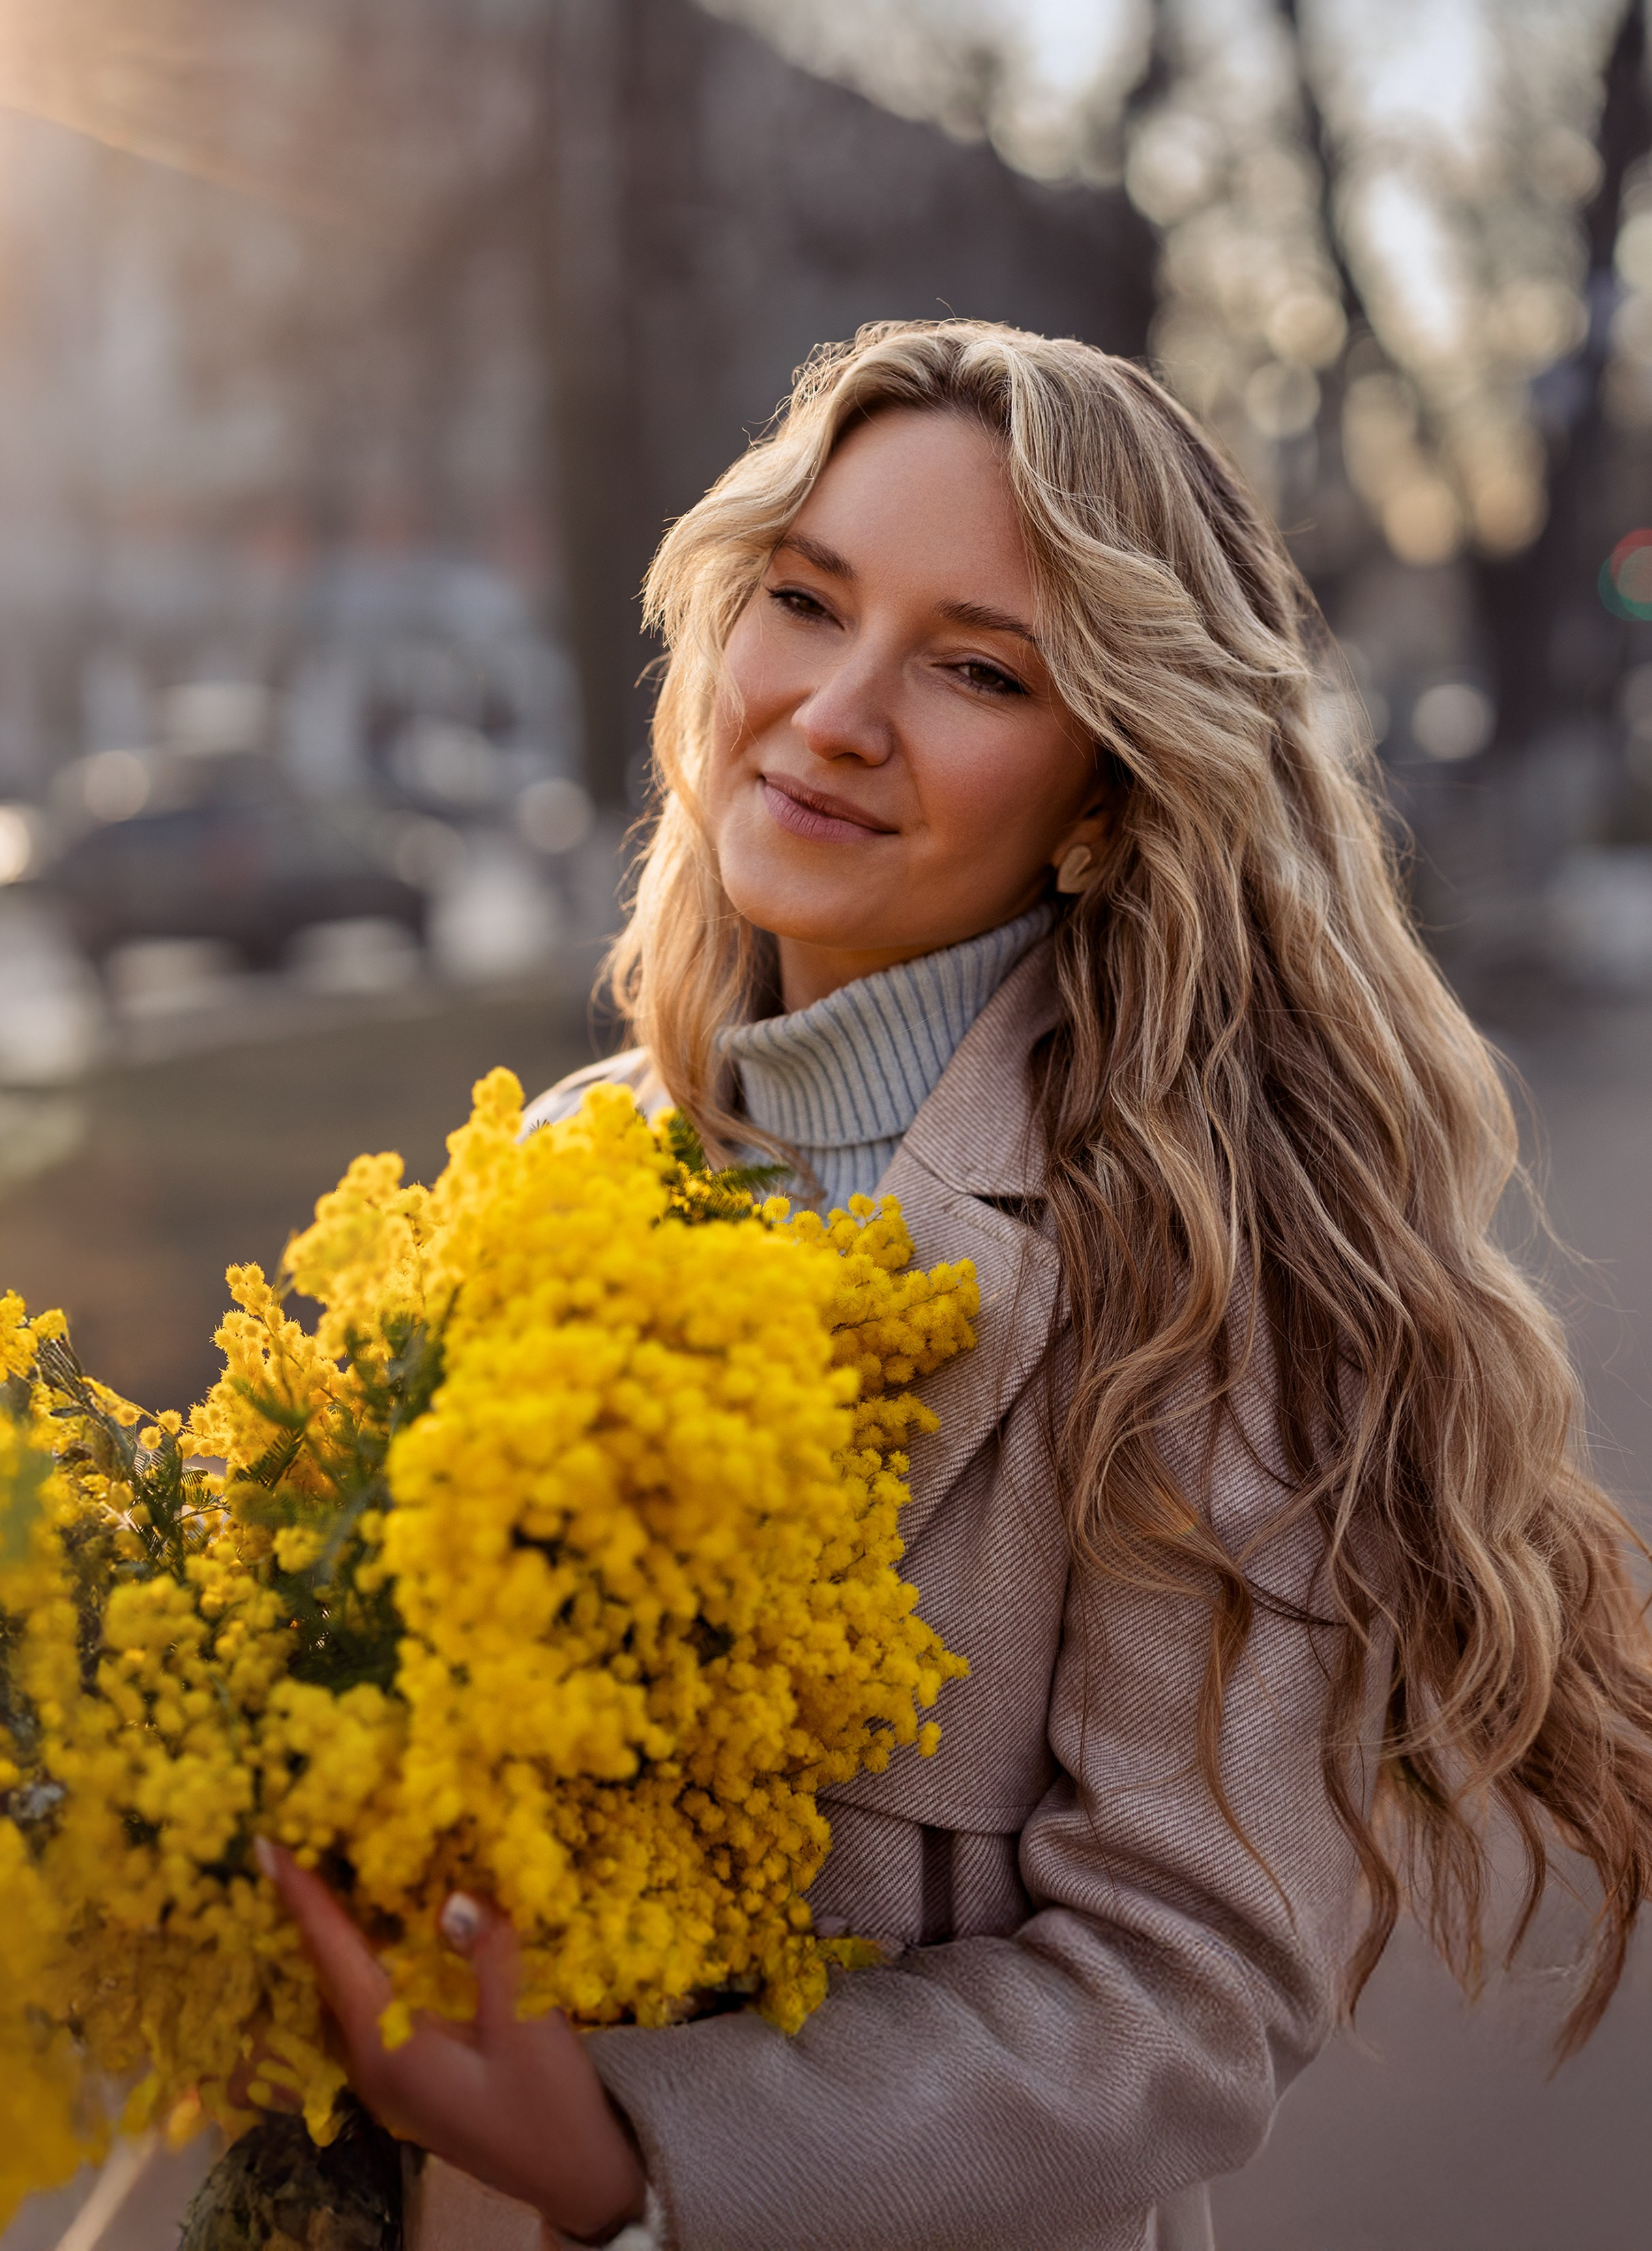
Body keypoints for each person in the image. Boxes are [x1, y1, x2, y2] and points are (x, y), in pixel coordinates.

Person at [263, 320, 1652, 2251]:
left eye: (978, 667)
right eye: (806, 602)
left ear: (1105, 784)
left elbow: (1183, 1991)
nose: (835, 708)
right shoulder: (552, 1156)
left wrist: (627, 2158)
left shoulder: (1192, 1265)